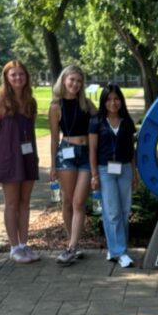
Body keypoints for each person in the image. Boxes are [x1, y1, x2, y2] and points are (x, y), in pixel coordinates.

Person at [0, 59, 40, 263]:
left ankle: (24, 244)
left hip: (28, 157)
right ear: (7, 78)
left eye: (21, 74)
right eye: (13, 74)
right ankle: (14, 247)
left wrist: (34, 156)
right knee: (11, 203)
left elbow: (31, 131)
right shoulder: (0, 101)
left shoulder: (30, 102)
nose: (18, 78)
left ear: (26, 77)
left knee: (25, 202)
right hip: (9, 159)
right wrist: (2, 155)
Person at [49, 64, 96, 265]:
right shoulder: (56, 106)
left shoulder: (87, 104)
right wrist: (52, 165)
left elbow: (102, 123)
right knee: (68, 201)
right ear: (64, 80)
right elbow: (53, 138)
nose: (75, 84)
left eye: (79, 81)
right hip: (66, 154)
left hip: (86, 154)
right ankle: (73, 243)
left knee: (79, 202)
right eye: (72, 80)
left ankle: (72, 247)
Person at [89, 84, 138, 268]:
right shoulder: (96, 121)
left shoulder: (127, 121)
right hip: (105, 170)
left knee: (124, 211)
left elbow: (131, 150)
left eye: (116, 98)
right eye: (109, 99)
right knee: (112, 212)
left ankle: (114, 249)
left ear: (121, 101)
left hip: (125, 169)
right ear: (103, 101)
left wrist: (134, 173)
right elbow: (92, 150)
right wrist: (94, 175)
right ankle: (121, 252)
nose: (113, 102)